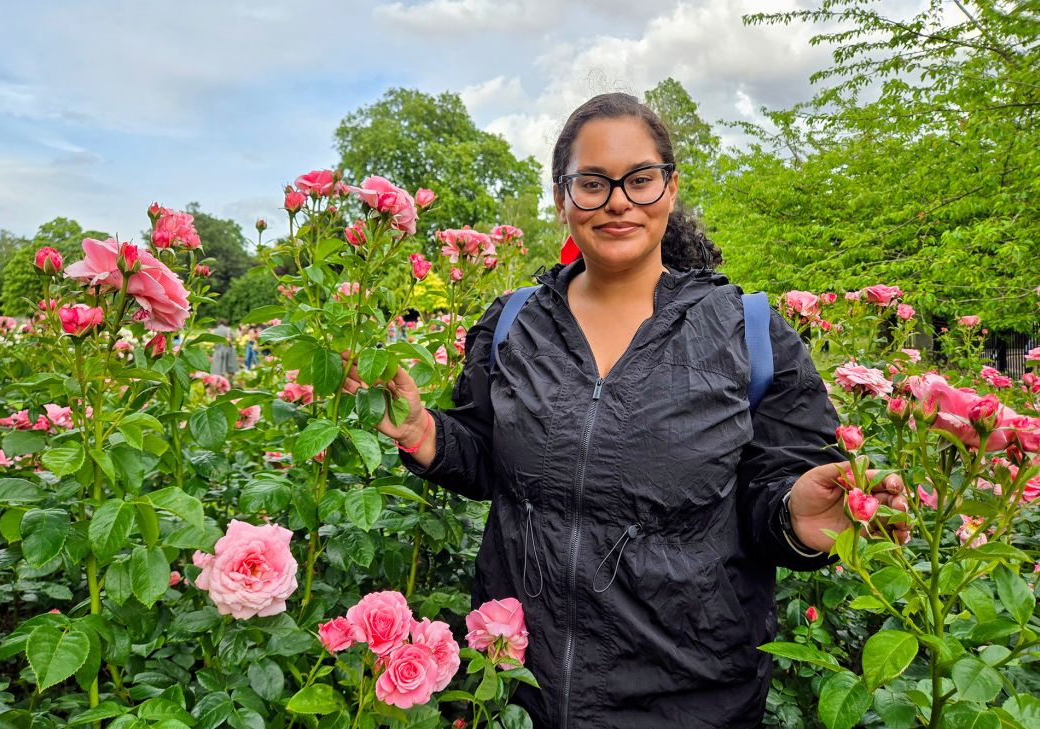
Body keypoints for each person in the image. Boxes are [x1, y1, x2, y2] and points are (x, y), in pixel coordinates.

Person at [342, 93, 909, 728]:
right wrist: (425, 433)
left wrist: (795, 515)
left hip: (691, 701)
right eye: (592, 183)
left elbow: (776, 492)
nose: (618, 201)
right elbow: (488, 458)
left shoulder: (747, 333)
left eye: (639, 179)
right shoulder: (514, 324)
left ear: (670, 188)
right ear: (562, 198)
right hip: (517, 691)